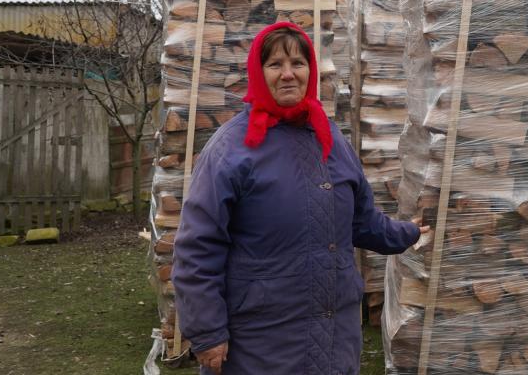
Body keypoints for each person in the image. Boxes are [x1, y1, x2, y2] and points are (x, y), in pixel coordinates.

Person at [172, 21, 427, 375]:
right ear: (259, 73)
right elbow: (197, 247)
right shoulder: (231, 149)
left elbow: (363, 221)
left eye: (298, 63)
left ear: (311, 71)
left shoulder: (331, 139)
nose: (288, 74)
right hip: (260, 342)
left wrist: (409, 233)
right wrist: (208, 332)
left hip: (336, 337)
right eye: (275, 64)